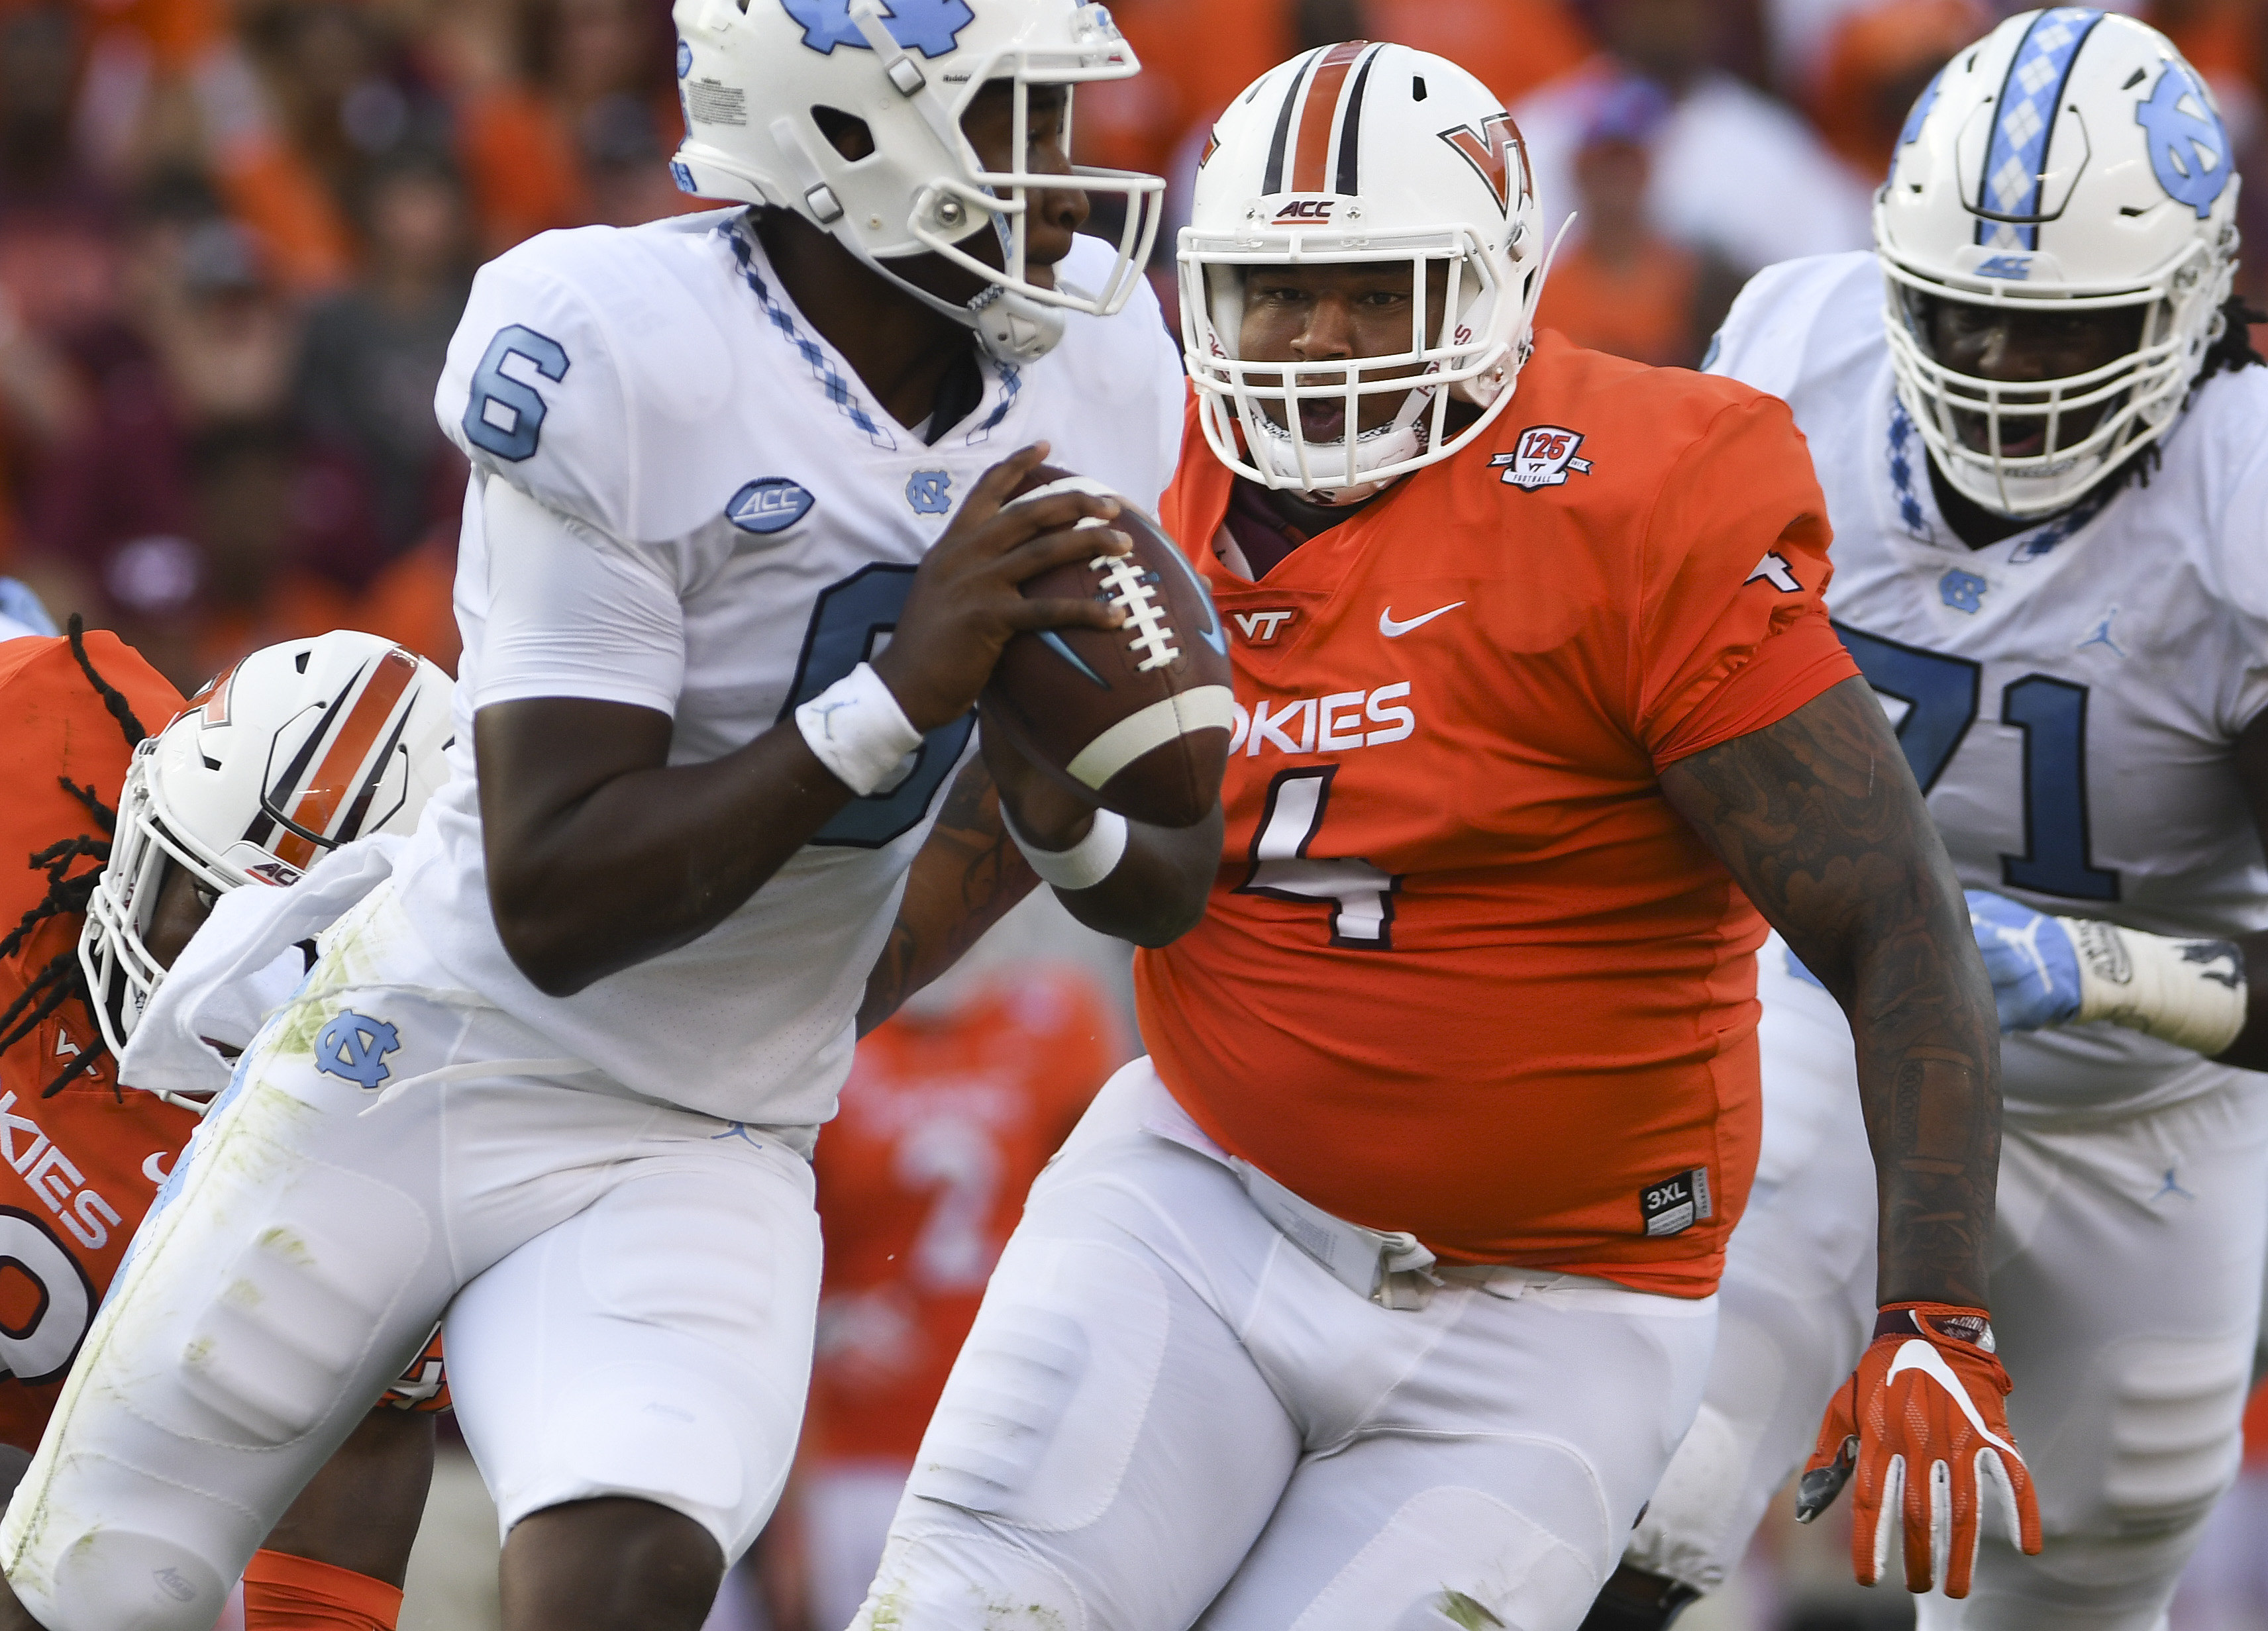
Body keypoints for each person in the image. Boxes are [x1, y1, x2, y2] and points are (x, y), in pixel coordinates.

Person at [0, 0, 1204, 1626]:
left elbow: (1142, 865)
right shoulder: (620, 347)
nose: (1064, 178)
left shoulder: (1101, 358)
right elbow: (554, 896)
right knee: (96, 1581)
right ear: (845, 133)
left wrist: (1058, 824)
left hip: (706, 1122)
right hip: (437, 1046)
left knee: (627, 1570)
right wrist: (893, 700)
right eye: (1014, 123)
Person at [842, 40, 2029, 1631]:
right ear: (1205, 298)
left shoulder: (1641, 497)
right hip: (1202, 1198)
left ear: (1487, 291)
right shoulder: (1139, 467)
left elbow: (1890, 912)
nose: (1319, 340)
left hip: (1553, 1310)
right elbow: (998, 820)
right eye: (1275, 291)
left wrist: (1932, 1311)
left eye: (1378, 291)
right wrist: (741, 1065)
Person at [1603, 11, 2268, 1630]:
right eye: (1960, 317)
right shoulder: (1792, 351)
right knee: (1643, 1473)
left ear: (2186, 308)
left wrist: (2104, 971)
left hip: (2147, 1125)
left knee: (2069, 1582)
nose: (1994, 370)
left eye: (2059, 332)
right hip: (1826, 1028)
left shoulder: (2240, 512)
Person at [0, 621, 454, 1631]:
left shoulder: (403, 1133)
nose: (210, 977)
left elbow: (359, 1474)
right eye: (199, 903)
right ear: (136, 806)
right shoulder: (36, 733)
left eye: (283, 951)